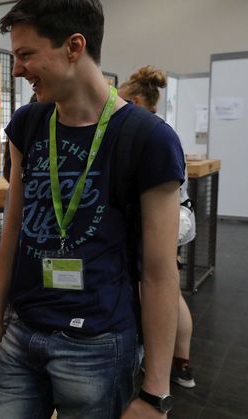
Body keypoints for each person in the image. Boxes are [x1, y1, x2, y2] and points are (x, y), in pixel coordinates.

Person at [0, 1, 185, 418]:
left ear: (74, 46)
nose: (17, 69)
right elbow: (13, 228)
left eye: (26, 54)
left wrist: (155, 393)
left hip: (100, 344)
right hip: (24, 331)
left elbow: (161, 272)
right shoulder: (27, 125)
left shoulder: (149, 140)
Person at [120, 66, 197, 389]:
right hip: (177, 218)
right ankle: (181, 363)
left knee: (160, 288)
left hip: (165, 221)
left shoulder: (148, 134)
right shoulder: (163, 129)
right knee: (170, 288)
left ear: (136, 101)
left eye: (123, 103)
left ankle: (159, 365)